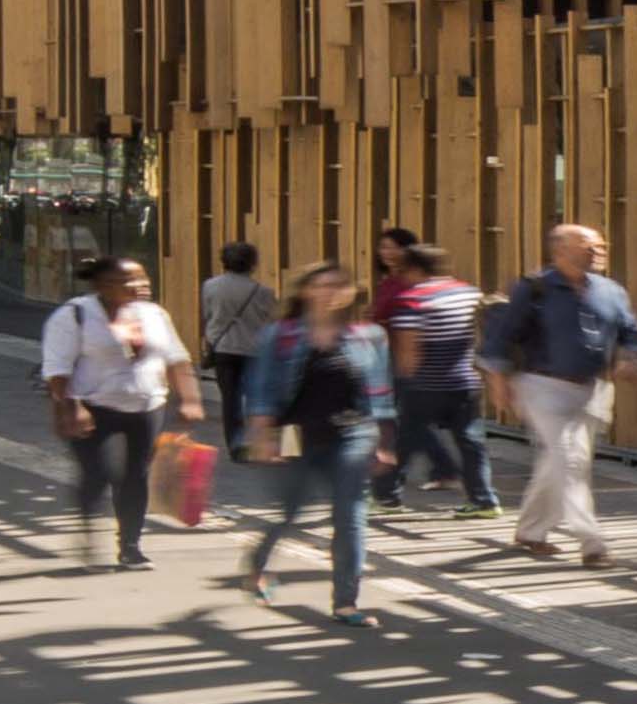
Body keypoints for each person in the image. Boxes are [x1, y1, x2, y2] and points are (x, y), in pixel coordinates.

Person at [478, 222, 637, 568]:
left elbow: (632, 332)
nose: (598, 252)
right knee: (570, 462)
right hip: (542, 386)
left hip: (591, 388)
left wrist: (632, 356)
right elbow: (501, 336)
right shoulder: (535, 288)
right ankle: (593, 544)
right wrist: (498, 381)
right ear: (561, 250)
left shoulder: (611, 291)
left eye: (601, 247)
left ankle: (530, 530)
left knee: (561, 463)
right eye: (589, 247)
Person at [237, 263, 379, 619]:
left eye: (338, 285)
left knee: (350, 516)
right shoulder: (280, 335)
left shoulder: (367, 336)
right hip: (293, 434)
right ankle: (257, 563)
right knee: (291, 512)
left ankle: (346, 602)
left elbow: (378, 393)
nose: (329, 292)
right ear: (305, 291)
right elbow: (262, 389)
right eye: (321, 285)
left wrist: (384, 440)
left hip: (352, 433)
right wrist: (262, 434)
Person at [34, 255, 190, 567]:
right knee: (98, 474)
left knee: (136, 476)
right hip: (91, 406)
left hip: (147, 405)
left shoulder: (154, 314)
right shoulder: (75, 314)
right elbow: (57, 368)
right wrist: (71, 406)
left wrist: (190, 398)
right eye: (129, 280)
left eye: (143, 277)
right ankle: (88, 530)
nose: (140, 285)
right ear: (104, 286)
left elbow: (176, 357)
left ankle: (130, 546)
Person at [375, 236, 493, 512]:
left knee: (404, 441)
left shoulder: (412, 301)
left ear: (414, 269)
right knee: (471, 442)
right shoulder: (469, 293)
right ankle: (484, 500)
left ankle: (386, 496)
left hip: (425, 384)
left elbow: (408, 350)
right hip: (465, 380)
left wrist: (404, 380)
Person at [195, 241, 278, 465]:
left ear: (224, 262)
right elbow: (272, 320)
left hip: (223, 348)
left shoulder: (210, 286)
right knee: (254, 399)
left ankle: (235, 446)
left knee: (230, 400)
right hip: (254, 350)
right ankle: (255, 443)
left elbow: (208, 315)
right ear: (253, 264)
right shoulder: (263, 292)